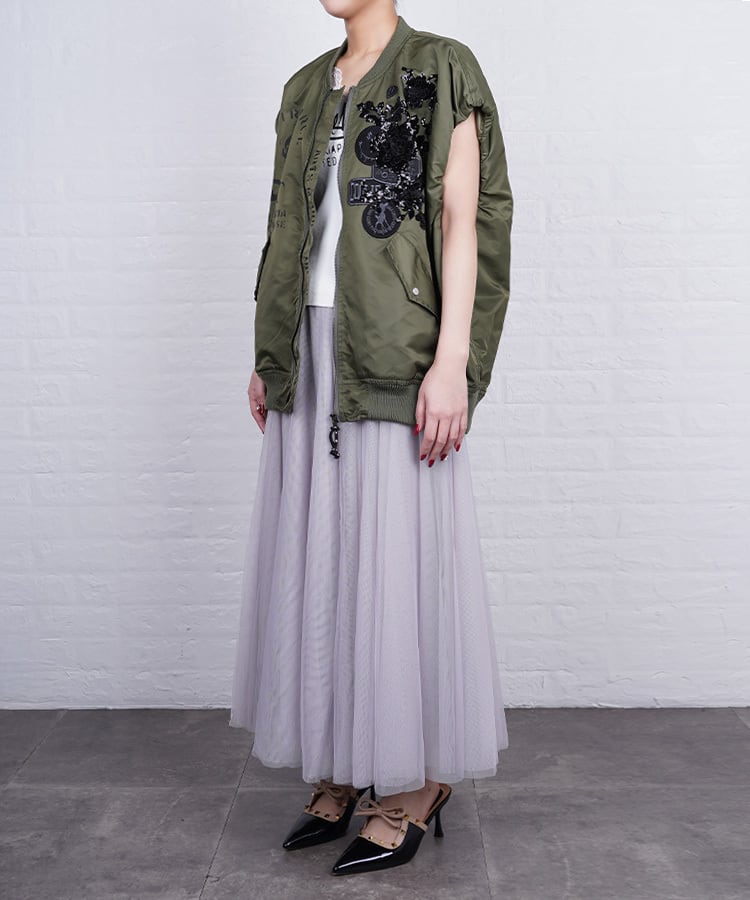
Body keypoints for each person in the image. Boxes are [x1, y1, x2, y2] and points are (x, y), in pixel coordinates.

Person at [229, 0, 513, 877]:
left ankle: (416, 784)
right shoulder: (304, 87)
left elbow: (465, 220)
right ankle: (349, 764)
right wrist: (269, 353)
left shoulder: (441, 66)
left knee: (395, 564)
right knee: (321, 559)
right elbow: (287, 227)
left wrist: (453, 362)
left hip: (392, 349)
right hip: (309, 350)